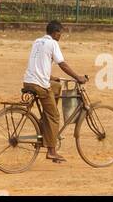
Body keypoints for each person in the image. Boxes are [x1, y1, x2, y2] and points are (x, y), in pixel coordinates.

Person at [22, 20, 87, 164]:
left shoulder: (37, 42)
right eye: (60, 33)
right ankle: (52, 151)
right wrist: (77, 77)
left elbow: (38, 63)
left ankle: (47, 122)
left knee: (56, 86)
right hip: (40, 85)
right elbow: (62, 64)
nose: (60, 36)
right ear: (55, 33)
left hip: (28, 81)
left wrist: (51, 77)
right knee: (55, 116)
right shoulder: (53, 43)